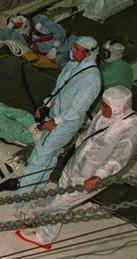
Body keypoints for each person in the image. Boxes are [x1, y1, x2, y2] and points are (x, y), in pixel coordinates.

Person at [17, 86, 137, 249]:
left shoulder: (133, 129)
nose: (101, 108)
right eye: (103, 104)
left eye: (106, 106)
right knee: (60, 195)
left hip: (93, 176)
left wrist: (98, 176)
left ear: (119, 108)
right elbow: (88, 135)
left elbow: (118, 158)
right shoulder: (104, 114)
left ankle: (35, 211)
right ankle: (45, 235)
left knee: (61, 200)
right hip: (77, 163)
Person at [15, 36, 102, 197]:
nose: (73, 51)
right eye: (74, 47)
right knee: (50, 155)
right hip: (55, 115)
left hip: (66, 122)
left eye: (78, 50)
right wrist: (45, 106)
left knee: (39, 156)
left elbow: (78, 108)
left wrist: (55, 121)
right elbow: (59, 89)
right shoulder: (72, 65)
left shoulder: (92, 79)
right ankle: (37, 190)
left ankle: (21, 198)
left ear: (89, 54)